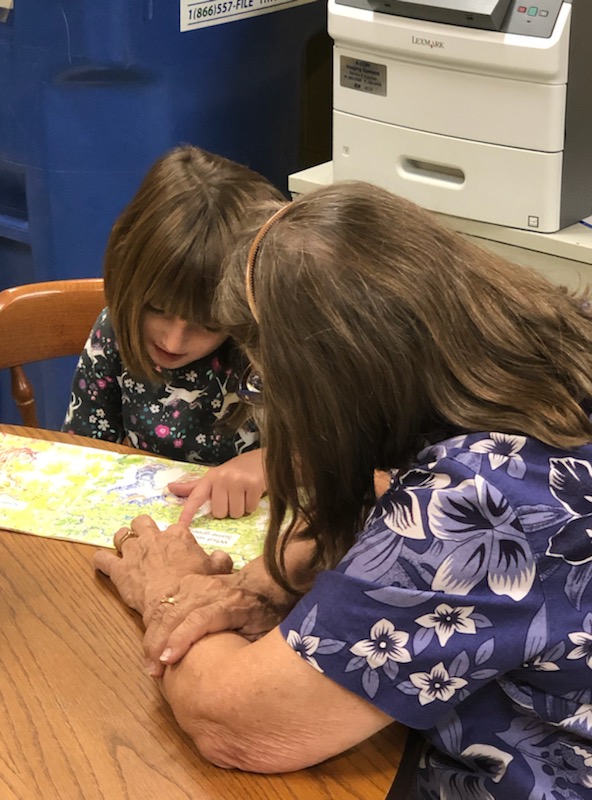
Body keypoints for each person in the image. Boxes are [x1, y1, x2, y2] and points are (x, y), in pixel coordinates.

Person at [93, 181, 592, 798]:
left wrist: (167, 591)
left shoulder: (476, 501)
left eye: (269, 387)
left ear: (343, 387)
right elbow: (390, 505)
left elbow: (236, 726)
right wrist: (273, 581)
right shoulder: (546, 354)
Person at [63, 144, 286, 518]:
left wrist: (269, 465)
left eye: (209, 324)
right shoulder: (113, 332)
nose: (173, 340)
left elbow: (341, 459)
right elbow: (82, 456)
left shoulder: (271, 349)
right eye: (156, 309)